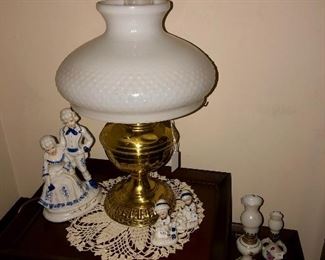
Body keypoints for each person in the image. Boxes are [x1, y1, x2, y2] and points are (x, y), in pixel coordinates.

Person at [39, 135, 89, 211]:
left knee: (68, 182)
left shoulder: (61, 150)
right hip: (53, 173)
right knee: (51, 185)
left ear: (55, 144)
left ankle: (73, 200)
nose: (51, 151)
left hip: (63, 170)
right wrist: (46, 175)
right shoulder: (46, 156)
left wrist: (68, 167)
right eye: (48, 150)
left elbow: (69, 161)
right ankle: (59, 204)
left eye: (52, 148)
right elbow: (45, 167)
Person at [59, 108, 97, 189]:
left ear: (75, 118)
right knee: (69, 169)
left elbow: (90, 139)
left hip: (78, 153)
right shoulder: (62, 131)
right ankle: (74, 184)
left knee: (82, 168)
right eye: (66, 122)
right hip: (68, 153)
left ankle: (89, 180)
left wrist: (83, 149)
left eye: (71, 120)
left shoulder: (82, 130)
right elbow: (62, 143)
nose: (69, 124)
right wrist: (60, 150)